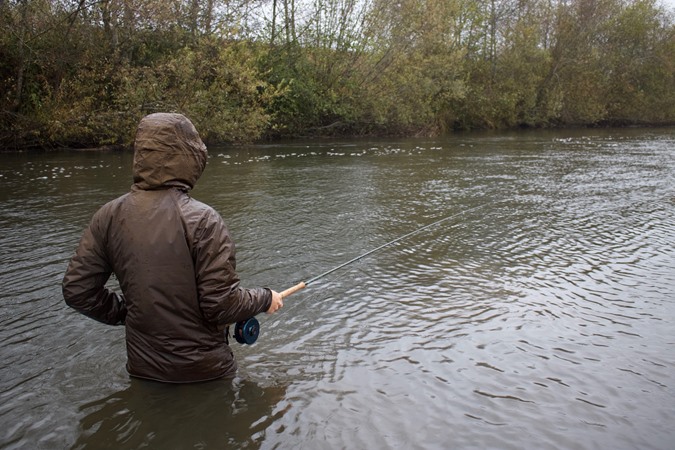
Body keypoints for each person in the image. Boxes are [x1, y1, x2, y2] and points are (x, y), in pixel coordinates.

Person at [62, 112, 283, 383]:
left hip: (143, 370)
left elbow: (77, 291)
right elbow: (221, 305)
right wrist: (265, 298)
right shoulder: (204, 220)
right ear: (190, 156)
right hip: (206, 374)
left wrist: (129, 313)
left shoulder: (107, 216)